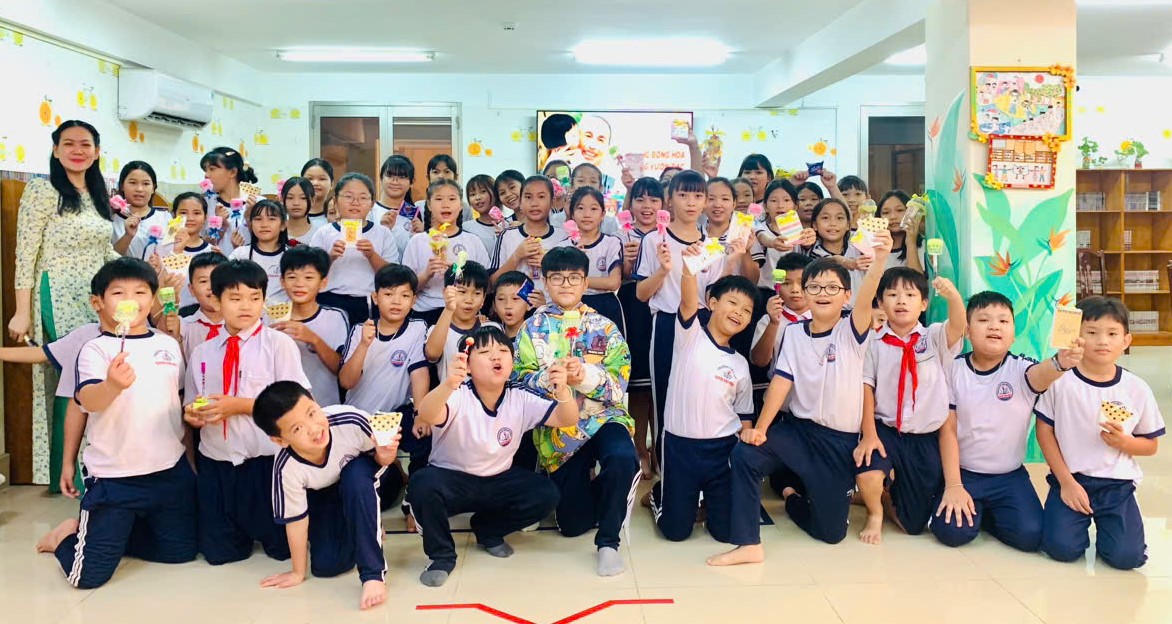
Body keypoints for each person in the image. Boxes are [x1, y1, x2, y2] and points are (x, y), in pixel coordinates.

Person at [709, 232, 891, 566]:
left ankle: (793, 498)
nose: (823, 293)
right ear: (805, 293)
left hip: (838, 441)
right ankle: (748, 543)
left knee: (831, 534)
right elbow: (781, 382)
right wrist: (761, 429)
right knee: (746, 453)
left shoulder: (852, 330)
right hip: (798, 431)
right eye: (815, 287)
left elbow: (867, 296)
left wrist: (879, 262)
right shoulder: (793, 332)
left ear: (846, 295)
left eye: (832, 288)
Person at [35, 257, 195, 588]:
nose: (130, 301)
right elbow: (87, 400)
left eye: (140, 292)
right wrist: (111, 386)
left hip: (169, 472)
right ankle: (67, 537)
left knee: (180, 553)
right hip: (114, 477)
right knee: (87, 578)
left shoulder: (168, 345)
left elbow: (177, 402)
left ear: (152, 299)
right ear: (98, 303)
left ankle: (108, 533)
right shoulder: (94, 350)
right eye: (119, 293)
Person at [406, 326, 579, 587]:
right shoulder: (458, 393)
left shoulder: (519, 396)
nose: (496, 356)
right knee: (422, 484)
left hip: (498, 480)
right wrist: (448, 384)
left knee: (546, 494)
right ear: (468, 365)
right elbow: (427, 413)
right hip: (452, 480)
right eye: (485, 352)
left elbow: (567, 419)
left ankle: (488, 530)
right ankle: (441, 556)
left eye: (502, 351)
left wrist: (563, 390)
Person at [513, 247, 638, 576]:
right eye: (557, 278)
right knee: (572, 524)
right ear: (545, 281)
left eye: (573, 278)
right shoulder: (532, 328)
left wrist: (585, 375)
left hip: (603, 417)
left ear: (585, 283)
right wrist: (548, 378)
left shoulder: (605, 327)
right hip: (559, 428)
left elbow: (619, 384)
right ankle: (603, 490)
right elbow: (518, 381)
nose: (565, 284)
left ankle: (609, 541)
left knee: (622, 457)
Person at [10, 120, 120, 491]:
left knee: (92, 371)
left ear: (97, 152)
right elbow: (25, 254)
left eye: (85, 144)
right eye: (68, 143)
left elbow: (103, 250)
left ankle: (91, 465)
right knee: (72, 370)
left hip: (95, 295)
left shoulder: (98, 192)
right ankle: (69, 471)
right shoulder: (42, 190)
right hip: (55, 291)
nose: (77, 150)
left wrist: (137, 273)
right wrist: (21, 311)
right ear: (56, 150)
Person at [931, 291, 1082, 551]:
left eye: (1003, 321)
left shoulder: (1021, 369)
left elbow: (1041, 375)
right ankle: (969, 506)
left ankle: (987, 515)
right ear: (967, 331)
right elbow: (948, 430)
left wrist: (1060, 363)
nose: (994, 326)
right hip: (965, 473)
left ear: (1013, 333)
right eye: (984, 320)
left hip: (1009, 476)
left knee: (1030, 537)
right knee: (952, 533)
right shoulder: (953, 369)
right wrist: (954, 485)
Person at [184, 259, 310, 565]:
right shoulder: (202, 352)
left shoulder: (278, 345)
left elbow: (297, 405)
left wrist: (239, 406)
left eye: (255, 298)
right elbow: (191, 403)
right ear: (216, 300)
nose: (246, 306)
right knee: (220, 555)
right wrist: (193, 415)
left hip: (266, 463)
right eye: (235, 298)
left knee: (281, 550)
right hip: (218, 463)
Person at [1036, 297, 1164, 570]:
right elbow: (1044, 431)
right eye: (1092, 332)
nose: (1102, 341)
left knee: (1126, 558)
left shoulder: (1136, 388)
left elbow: (1151, 445)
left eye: (1112, 334)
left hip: (1117, 485)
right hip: (1071, 478)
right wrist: (1066, 482)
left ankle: (1117, 533)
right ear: (1077, 337)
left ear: (1126, 341)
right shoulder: (1061, 381)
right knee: (1061, 549)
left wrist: (1126, 442)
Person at [252, 382, 401, 610]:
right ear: (280, 440)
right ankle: (364, 523)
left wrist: (385, 453)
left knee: (355, 478)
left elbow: (383, 461)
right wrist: (297, 572)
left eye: (312, 413)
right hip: (327, 494)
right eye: (297, 429)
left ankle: (373, 575)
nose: (313, 429)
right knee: (327, 566)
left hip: (371, 478)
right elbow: (296, 521)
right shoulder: (286, 468)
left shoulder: (350, 420)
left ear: (316, 402)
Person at [854, 267, 966, 544]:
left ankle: (887, 495)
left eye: (910, 295)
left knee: (913, 525)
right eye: (892, 295)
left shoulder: (934, 337)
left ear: (924, 304)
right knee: (868, 469)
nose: (901, 301)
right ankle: (874, 512)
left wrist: (953, 297)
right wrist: (869, 435)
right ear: (881, 303)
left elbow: (958, 325)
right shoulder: (874, 343)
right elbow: (867, 388)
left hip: (924, 436)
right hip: (886, 430)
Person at [648, 262, 758, 543]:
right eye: (732, 303)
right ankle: (659, 493)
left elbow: (744, 415)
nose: (739, 312)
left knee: (724, 533)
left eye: (747, 310)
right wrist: (689, 268)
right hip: (680, 447)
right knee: (675, 533)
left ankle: (708, 500)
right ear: (712, 303)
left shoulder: (740, 364)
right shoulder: (691, 336)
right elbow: (687, 301)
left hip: (722, 450)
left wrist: (745, 453)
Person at [634, 170, 722, 465]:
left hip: (701, 326)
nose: (691, 202)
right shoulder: (654, 240)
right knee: (664, 395)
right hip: (666, 324)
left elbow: (713, 297)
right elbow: (641, 294)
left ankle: (694, 464)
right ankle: (664, 464)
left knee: (699, 395)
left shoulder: (712, 246)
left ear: (706, 201)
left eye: (698, 195)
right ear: (669, 199)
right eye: (683, 195)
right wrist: (662, 270)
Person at [338, 264, 428, 499]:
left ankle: (415, 496)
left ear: (414, 300)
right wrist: (364, 345)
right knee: (382, 493)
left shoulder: (417, 328)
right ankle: (393, 470)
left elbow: (419, 372)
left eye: (404, 295)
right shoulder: (360, 330)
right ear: (375, 298)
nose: (396, 301)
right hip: (361, 419)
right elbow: (346, 382)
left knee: (425, 434)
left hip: (395, 415)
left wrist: (420, 413)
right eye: (389, 294)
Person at [309, 173, 401, 325]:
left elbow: (392, 276)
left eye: (363, 197)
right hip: (330, 300)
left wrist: (372, 255)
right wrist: (330, 257)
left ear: (372, 203)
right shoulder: (324, 233)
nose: (355, 203)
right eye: (348, 196)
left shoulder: (383, 233)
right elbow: (310, 273)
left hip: (369, 302)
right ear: (336, 202)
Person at [617, 177, 662, 477]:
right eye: (640, 199)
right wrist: (628, 264)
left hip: (661, 306)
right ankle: (638, 446)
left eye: (654, 200)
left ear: (664, 205)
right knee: (637, 384)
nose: (647, 206)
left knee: (659, 384)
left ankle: (658, 446)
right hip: (631, 306)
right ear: (630, 204)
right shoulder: (621, 234)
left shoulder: (668, 234)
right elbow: (618, 276)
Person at [403, 179, 491, 325]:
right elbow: (405, 289)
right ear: (429, 205)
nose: (445, 204)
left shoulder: (472, 241)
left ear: (461, 205)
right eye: (438, 199)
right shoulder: (417, 241)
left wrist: (456, 271)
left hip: (463, 312)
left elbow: (486, 285)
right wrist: (427, 274)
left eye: (452, 199)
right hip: (425, 312)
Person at [276, 246, 349, 407]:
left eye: (308, 277)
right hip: (281, 407)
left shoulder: (335, 317)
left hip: (324, 406)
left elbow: (341, 370)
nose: (299, 284)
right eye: (292, 277)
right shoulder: (270, 316)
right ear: (282, 281)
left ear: (323, 283)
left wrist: (313, 339)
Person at [558, 187, 624, 330]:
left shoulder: (611, 243)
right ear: (572, 213)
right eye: (580, 208)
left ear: (603, 214)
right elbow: (558, 282)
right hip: (571, 305)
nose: (587, 214)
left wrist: (575, 279)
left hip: (605, 305)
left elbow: (613, 282)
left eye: (594, 209)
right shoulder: (562, 247)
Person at [492, 176, 569, 291]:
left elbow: (574, 280)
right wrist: (516, 256)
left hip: (552, 302)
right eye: (528, 197)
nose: (534, 203)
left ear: (552, 201)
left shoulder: (563, 237)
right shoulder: (507, 236)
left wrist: (548, 264)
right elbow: (492, 283)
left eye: (541, 197)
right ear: (521, 202)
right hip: (514, 302)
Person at [141, 192, 216, 309]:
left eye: (197, 213)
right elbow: (146, 286)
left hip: (200, 315)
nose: (190, 218)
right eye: (183, 213)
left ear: (205, 217)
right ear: (174, 215)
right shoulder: (156, 248)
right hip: (165, 313)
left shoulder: (212, 252)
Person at [425, 261, 497, 382]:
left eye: (477, 293)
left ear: (484, 298)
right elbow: (432, 354)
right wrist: (449, 308)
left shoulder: (493, 329)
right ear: (446, 293)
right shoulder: (438, 330)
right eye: (462, 292)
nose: (469, 300)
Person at [200, 146, 259, 256]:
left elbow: (267, 241)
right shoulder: (203, 204)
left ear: (232, 172)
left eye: (212, 169)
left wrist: (249, 217)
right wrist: (219, 227)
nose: (206, 175)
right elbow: (200, 245)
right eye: (205, 170)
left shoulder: (256, 202)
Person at [230, 199, 290, 304]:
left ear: (283, 225)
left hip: (283, 312)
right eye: (258, 219)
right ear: (251, 224)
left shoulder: (292, 256)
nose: (264, 224)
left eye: (271, 219)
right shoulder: (239, 254)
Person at [178, 252, 229, 360]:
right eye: (203, 281)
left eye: (217, 279)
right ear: (192, 289)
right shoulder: (183, 327)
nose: (211, 286)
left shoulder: (243, 325)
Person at [111, 161, 169, 256]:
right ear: (122, 186)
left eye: (146, 184)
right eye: (133, 183)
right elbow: (109, 258)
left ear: (153, 188)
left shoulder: (165, 218)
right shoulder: (112, 221)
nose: (139, 189)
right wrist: (128, 236)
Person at [369, 154, 418, 239]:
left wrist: (420, 235)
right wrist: (384, 229)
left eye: (402, 177)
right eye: (390, 176)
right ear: (381, 178)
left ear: (412, 182)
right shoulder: (370, 211)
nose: (395, 181)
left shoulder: (415, 213)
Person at [877, 190, 924, 272]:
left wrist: (911, 243)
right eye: (886, 212)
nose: (892, 217)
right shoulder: (875, 246)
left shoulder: (923, 245)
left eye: (899, 210)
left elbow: (916, 278)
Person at [492, 271, 542, 340]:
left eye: (515, 298)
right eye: (501, 299)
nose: (508, 305)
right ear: (494, 305)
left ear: (529, 304)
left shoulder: (536, 339)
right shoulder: (490, 338)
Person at [463, 174, 503, 254]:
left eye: (483, 191)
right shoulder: (465, 228)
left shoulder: (509, 226)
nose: (477, 198)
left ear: (495, 194)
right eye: (472, 194)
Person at [280, 177, 321, 247]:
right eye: (290, 198)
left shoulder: (319, 234)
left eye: (303, 198)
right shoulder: (274, 231)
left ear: (313, 200)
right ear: (281, 199)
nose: (296, 203)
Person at [300, 158, 335, 227]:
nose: (315, 183)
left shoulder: (338, 217)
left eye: (322, 179)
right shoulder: (291, 215)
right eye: (310, 179)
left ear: (332, 184)